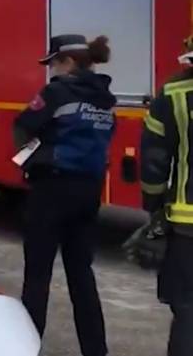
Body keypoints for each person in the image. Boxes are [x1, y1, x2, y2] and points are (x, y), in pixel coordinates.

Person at [14, 34, 114, 356]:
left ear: (68, 62)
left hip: (52, 190)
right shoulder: (104, 96)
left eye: (53, 63)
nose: (51, 70)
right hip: (88, 191)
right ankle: (96, 350)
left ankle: (28, 348)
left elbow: (24, 124)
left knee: (38, 275)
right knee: (81, 275)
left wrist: (31, 156)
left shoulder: (56, 92)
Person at [138, 35, 193, 356]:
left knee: (187, 308)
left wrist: (154, 208)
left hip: (187, 225)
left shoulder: (174, 93)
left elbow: (155, 160)